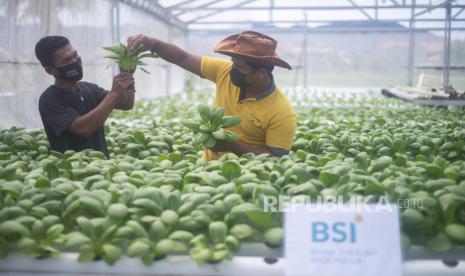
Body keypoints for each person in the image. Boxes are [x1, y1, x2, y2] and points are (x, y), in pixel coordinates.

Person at [127, 31, 296, 160]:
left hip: (248, 180)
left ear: (260, 73)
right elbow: (182, 57)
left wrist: (233, 146)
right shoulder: (224, 71)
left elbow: (276, 160)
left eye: (240, 68)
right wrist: (153, 43)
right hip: (208, 172)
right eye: (233, 63)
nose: (233, 71)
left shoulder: (281, 112)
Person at [35, 36, 134, 158]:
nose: (74, 62)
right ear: (50, 70)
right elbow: (84, 129)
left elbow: (126, 104)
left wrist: (127, 74)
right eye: (66, 61)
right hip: (75, 171)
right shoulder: (49, 99)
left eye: (75, 55)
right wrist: (113, 94)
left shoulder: (90, 89)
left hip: (102, 167)